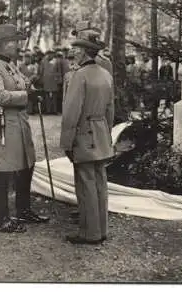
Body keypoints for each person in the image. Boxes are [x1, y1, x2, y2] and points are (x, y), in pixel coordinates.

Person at [0, 23, 49, 233]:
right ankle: (0, 219)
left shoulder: (10, 65)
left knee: (26, 165)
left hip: (18, 122)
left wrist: (33, 89)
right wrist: (26, 96)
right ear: (0, 45)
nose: (17, 45)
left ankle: (23, 210)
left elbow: (22, 84)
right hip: (2, 124)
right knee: (3, 170)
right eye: (13, 42)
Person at [60, 24, 114, 245]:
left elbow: (71, 113)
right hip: (100, 133)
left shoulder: (79, 76)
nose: (74, 52)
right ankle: (101, 229)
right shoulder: (105, 74)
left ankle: (89, 233)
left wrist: (66, 142)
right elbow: (111, 109)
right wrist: (107, 134)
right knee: (100, 181)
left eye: (76, 49)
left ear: (83, 52)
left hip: (83, 134)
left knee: (85, 184)